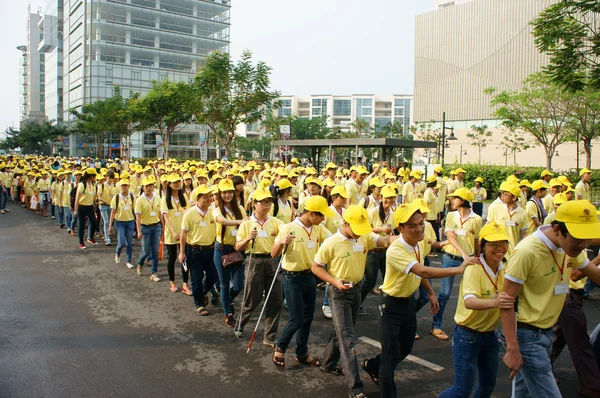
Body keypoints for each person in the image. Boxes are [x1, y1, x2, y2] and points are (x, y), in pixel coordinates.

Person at [360, 202, 478, 398]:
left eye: (421, 223)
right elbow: (421, 270)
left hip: (408, 303)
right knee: (389, 357)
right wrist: (458, 269)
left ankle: (372, 365)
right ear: (401, 229)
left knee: (404, 348)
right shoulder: (396, 249)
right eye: (412, 225)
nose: (419, 228)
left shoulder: (419, 242)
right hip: (390, 305)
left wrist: (430, 292)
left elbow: (419, 268)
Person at [502, 200, 600, 398]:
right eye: (579, 239)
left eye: (588, 238)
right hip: (527, 335)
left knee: (522, 394)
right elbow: (506, 301)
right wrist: (512, 348)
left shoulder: (571, 248)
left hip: (546, 332)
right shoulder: (527, 252)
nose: (584, 244)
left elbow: (594, 273)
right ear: (557, 229)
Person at [311, 205, 397, 398]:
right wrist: (334, 281)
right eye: (355, 230)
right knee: (348, 340)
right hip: (338, 293)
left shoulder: (364, 236)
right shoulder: (331, 242)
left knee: (340, 333)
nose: (359, 235)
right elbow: (315, 266)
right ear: (345, 223)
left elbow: (383, 240)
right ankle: (355, 388)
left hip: (356, 291)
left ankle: (327, 363)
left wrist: (403, 237)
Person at [438, 222, 514, 398]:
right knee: (461, 391)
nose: (500, 248)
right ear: (483, 246)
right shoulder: (474, 267)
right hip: (468, 336)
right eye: (493, 244)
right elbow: (470, 302)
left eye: (503, 243)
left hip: (490, 336)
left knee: (487, 386)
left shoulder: (507, 267)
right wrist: (496, 302)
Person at [271, 196, 333, 369]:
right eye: (321, 216)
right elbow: (273, 253)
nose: (323, 219)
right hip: (292, 278)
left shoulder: (318, 228)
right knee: (296, 318)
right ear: (312, 214)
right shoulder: (288, 228)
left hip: (310, 277)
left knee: (307, 318)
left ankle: (301, 353)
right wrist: (282, 243)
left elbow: (333, 239)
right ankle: (280, 346)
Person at [234, 188, 285, 345]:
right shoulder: (247, 223)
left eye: (269, 202)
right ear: (254, 204)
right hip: (254, 261)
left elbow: (286, 232)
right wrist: (248, 238)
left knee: (275, 299)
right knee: (252, 298)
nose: (266, 205)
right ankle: (240, 324)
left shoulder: (276, 222)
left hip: (272, 261)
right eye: (262, 202)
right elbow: (238, 247)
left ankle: (269, 336)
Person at [431, 187, 482, 340]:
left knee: (469, 294)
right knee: (445, 294)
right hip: (450, 258)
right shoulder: (452, 216)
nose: (452, 200)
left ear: (464, 201)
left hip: (470, 261)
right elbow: (450, 237)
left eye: (455, 198)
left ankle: (468, 325)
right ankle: (436, 325)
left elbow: (476, 240)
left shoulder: (477, 219)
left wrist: (478, 257)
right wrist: (465, 254)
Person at [179, 184, 218, 316]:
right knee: (196, 278)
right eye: (205, 197)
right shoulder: (189, 214)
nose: (209, 200)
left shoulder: (214, 212)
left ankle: (202, 292)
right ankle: (199, 304)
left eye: (210, 197)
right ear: (198, 198)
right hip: (194, 250)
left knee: (214, 275)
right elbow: (183, 234)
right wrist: (182, 252)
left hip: (211, 249)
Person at [213, 178, 246, 327]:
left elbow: (247, 225)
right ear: (220, 193)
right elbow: (222, 221)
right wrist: (239, 222)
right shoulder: (217, 209)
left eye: (230, 192)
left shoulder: (240, 209)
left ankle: (227, 299)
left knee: (239, 284)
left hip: (237, 249)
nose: (227, 195)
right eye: (224, 192)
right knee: (224, 283)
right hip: (222, 250)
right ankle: (228, 313)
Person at [360, 185, 397, 312]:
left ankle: (386, 306)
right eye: (387, 198)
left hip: (386, 251)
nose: (389, 201)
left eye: (392, 198)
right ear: (381, 197)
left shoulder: (393, 214)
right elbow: (365, 229)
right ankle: (357, 303)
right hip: (373, 251)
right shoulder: (373, 212)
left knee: (388, 279)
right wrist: (381, 230)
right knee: (370, 281)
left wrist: (391, 234)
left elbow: (395, 230)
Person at [161, 174, 189, 294]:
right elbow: (166, 217)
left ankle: (185, 284)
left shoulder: (184, 198)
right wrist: (173, 231)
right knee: (172, 258)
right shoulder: (165, 199)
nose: (177, 184)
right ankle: (172, 281)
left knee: (185, 258)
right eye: (174, 182)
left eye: (178, 181)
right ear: (169, 185)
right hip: (171, 233)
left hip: (184, 233)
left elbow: (187, 214)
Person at [135, 177, 163, 281]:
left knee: (155, 251)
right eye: (147, 186)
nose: (149, 188)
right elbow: (138, 216)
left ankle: (154, 272)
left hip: (156, 226)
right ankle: (140, 263)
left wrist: (163, 226)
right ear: (143, 187)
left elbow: (160, 214)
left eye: (151, 186)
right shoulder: (140, 200)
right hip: (145, 227)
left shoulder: (157, 198)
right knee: (146, 251)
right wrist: (138, 230)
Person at [108, 179, 136, 269]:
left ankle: (128, 261)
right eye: (122, 186)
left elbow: (136, 211)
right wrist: (110, 226)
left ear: (128, 186)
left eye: (126, 185)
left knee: (129, 243)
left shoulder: (132, 197)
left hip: (130, 222)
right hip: (120, 222)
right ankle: (117, 254)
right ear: (120, 187)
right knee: (121, 243)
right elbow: (113, 212)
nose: (124, 187)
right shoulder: (116, 198)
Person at [73, 168, 98, 249]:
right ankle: (81, 242)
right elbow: (77, 198)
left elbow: (93, 196)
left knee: (94, 222)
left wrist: (95, 206)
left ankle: (90, 237)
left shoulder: (93, 184)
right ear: (90, 176)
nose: (95, 177)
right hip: (81, 206)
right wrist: (76, 210)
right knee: (82, 225)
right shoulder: (82, 185)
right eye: (94, 176)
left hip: (90, 206)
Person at [98, 170, 118, 246]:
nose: (110, 180)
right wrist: (104, 201)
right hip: (103, 205)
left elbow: (116, 196)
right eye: (109, 178)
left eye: (112, 178)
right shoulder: (102, 186)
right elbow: (99, 197)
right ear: (106, 177)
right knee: (106, 221)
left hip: (111, 206)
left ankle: (107, 232)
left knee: (111, 221)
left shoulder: (115, 186)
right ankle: (107, 239)